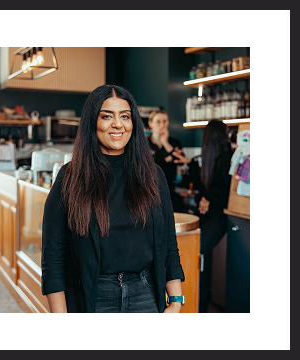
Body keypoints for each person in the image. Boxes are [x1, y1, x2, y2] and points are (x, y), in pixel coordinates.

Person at [41, 85, 185, 313]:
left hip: (145, 295)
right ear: (92, 122)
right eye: (107, 116)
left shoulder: (153, 175)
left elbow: (168, 243)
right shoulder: (69, 178)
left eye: (125, 116)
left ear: (133, 123)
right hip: (94, 296)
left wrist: (176, 301)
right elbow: (53, 257)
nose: (117, 124)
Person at [172, 120, 233, 312]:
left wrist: (207, 196)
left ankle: (199, 303)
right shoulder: (214, 158)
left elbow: (225, 191)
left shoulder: (227, 157)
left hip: (220, 217)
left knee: (198, 253)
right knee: (199, 256)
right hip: (210, 215)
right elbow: (203, 187)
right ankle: (199, 303)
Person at [146, 110, 183, 211]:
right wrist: (168, 159)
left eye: (165, 121)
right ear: (150, 123)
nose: (162, 125)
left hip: (170, 188)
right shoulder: (144, 143)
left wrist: (165, 143)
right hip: (149, 190)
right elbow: (148, 165)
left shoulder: (174, 142)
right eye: (158, 121)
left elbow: (181, 160)